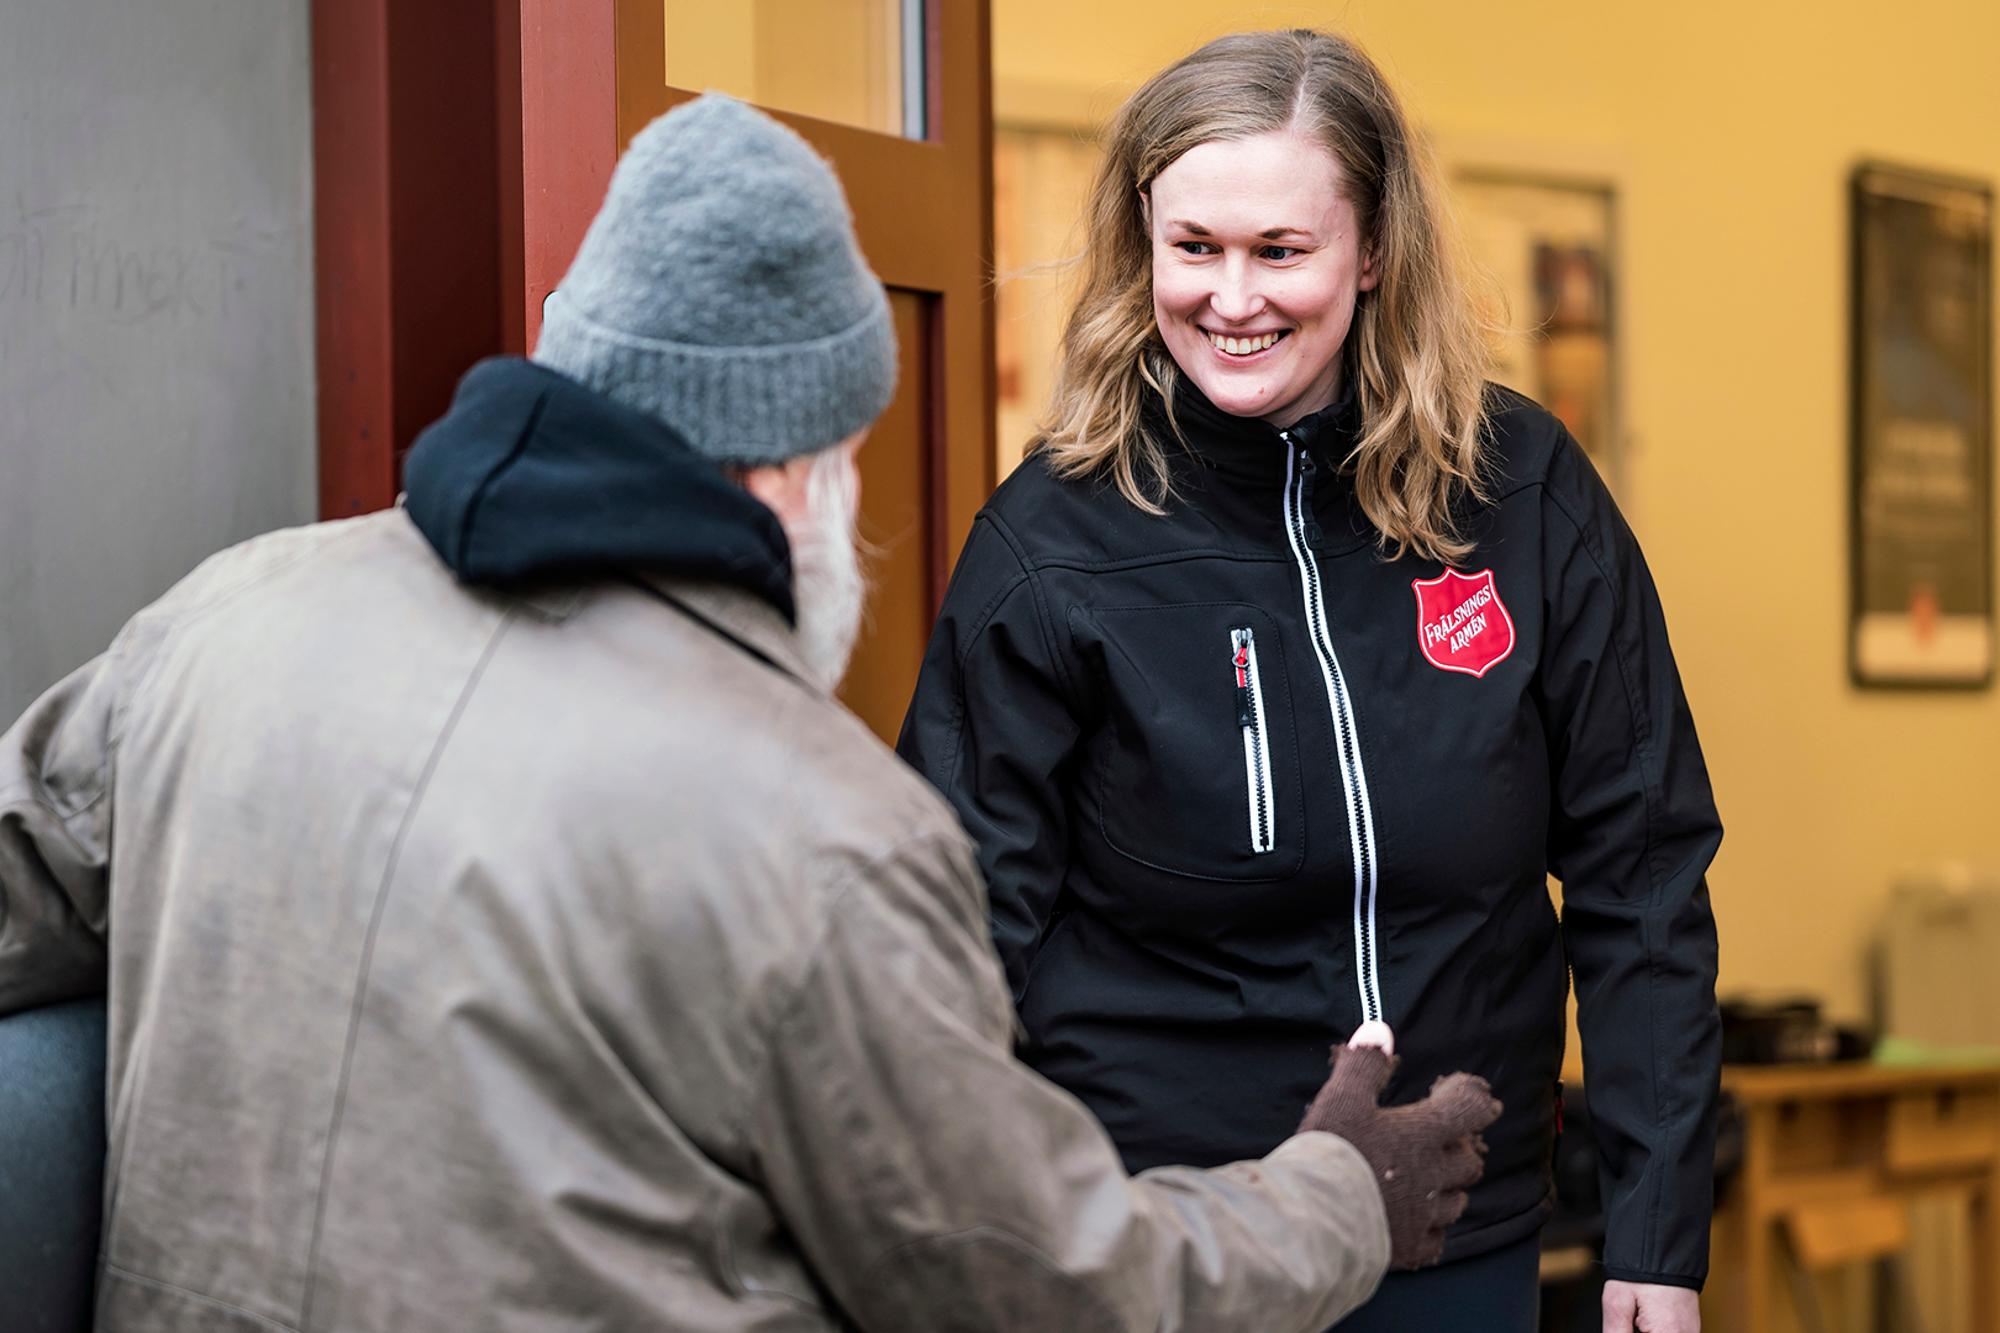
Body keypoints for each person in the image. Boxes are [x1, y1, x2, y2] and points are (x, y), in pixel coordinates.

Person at [0, 94, 1501, 1332]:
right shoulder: (820, 825)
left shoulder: (220, 620)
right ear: (803, 467)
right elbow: (1043, 1289)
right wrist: (1333, 1194)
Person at [898, 29, 1722, 1333]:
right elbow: (948, 945)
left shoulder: (1519, 490)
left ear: (1375, 248)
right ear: (1142, 245)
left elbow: (1645, 875)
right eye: (1194, 249)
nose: (1233, 298)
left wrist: (1659, 1234)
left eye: (1281, 251)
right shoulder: (1052, 542)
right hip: (1168, 1250)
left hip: (1462, 1241)